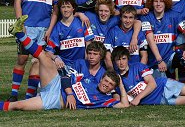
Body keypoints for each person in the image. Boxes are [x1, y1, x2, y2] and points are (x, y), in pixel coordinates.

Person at [0, 16, 129, 111]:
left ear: (113, 88)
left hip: (56, 100)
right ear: (101, 79)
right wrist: (70, 94)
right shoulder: (90, 78)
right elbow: (66, 75)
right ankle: (18, 32)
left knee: (18, 106)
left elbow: (124, 105)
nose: (106, 84)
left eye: (110, 84)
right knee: (43, 56)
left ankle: (24, 100)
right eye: (106, 81)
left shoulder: (105, 100)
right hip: (57, 85)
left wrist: (121, 85)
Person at [8, 0, 60, 101]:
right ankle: (14, 94)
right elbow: (17, 1)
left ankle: (30, 95)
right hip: (27, 26)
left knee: (37, 61)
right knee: (22, 59)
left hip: (43, 28)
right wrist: (20, 23)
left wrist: (50, 29)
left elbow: (56, 10)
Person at [141, 0, 185, 79]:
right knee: (162, 85)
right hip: (155, 61)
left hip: (170, 57)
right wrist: (159, 60)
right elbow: (150, 39)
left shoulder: (174, 16)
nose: (158, 4)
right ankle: (170, 78)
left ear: (165, 3)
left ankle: (183, 83)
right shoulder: (146, 17)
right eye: (156, 1)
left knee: (184, 60)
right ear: (151, 3)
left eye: (161, 1)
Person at [85, 0, 142, 70]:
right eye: (101, 11)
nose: (103, 13)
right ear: (97, 11)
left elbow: (137, 21)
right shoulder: (90, 17)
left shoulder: (115, 20)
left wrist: (134, 38)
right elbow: (74, 13)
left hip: (107, 63)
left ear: (111, 12)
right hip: (94, 62)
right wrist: (80, 15)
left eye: (106, 11)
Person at [45, 0, 94, 68]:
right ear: (60, 9)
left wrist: (86, 65)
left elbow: (89, 45)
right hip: (64, 65)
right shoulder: (57, 28)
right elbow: (48, 52)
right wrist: (55, 58)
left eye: (68, 7)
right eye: (63, 7)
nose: (65, 10)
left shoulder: (82, 22)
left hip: (82, 64)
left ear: (73, 8)